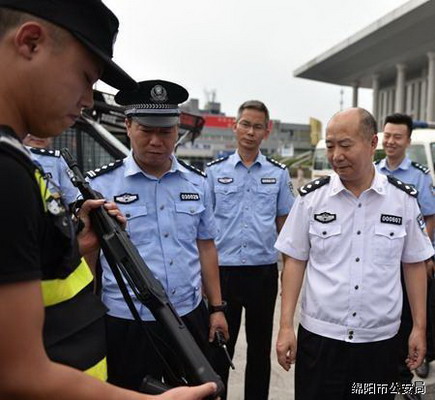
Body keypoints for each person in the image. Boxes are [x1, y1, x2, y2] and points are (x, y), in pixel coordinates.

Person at [0, 1, 217, 399]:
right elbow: (15, 372)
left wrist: (81, 244)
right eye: (85, 78)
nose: (87, 101)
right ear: (30, 42)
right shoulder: (8, 170)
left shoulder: (15, 163)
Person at [275, 108, 434, 400]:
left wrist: (419, 328)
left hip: (380, 344)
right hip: (321, 341)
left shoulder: (401, 200)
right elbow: (295, 261)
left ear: (373, 143)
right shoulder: (311, 199)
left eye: (345, 145)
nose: (336, 155)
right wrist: (285, 326)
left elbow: (414, 265)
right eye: (331, 145)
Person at [87, 79, 228, 391]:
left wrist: (216, 309)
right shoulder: (101, 185)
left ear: (177, 131)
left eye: (165, 132)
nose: (156, 140)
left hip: (188, 315)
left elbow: (206, 247)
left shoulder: (197, 183)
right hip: (128, 319)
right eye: (146, 130)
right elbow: (90, 257)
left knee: (195, 391)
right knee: (128, 392)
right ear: (127, 125)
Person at [206, 100, 295, 400]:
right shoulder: (214, 173)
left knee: (259, 351)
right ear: (235, 126)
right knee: (220, 350)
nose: (250, 132)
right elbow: (203, 232)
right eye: (245, 124)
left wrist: (288, 275)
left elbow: (287, 229)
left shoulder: (278, 174)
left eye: (258, 126)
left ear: (266, 132)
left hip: (262, 273)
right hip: (224, 273)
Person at [375, 113, 435, 398]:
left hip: (407, 264)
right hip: (378, 262)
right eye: (387, 135)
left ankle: (407, 382)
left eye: (397, 137)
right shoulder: (372, 171)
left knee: (408, 324)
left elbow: (430, 217)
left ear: (408, 141)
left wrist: (424, 255)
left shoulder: (419, 176)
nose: (391, 141)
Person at [24, 134, 79, 205]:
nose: (38, 136)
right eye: (31, 130)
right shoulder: (10, 156)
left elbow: (72, 198)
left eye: (44, 131)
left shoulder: (56, 160)